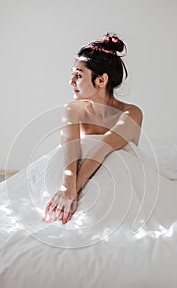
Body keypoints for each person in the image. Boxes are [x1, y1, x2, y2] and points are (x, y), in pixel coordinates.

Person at [43, 33, 143, 225]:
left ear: (101, 80)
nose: (71, 82)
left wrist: (71, 192)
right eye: (72, 74)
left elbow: (102, 148)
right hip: (80, 187)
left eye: (79, 75)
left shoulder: (132, 113)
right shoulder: (73, 110)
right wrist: (66, 188)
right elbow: (70, 148)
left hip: (118, 188)